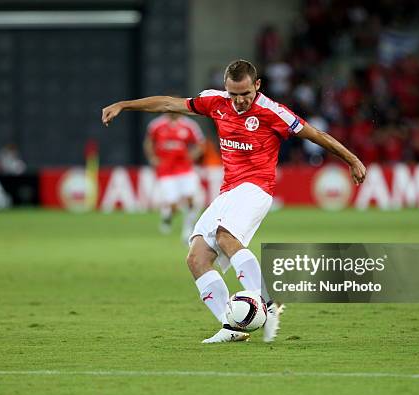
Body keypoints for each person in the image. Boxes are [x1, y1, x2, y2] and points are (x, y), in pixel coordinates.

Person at [102, 60, 366, 343]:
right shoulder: (214, 102)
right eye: (233, 94)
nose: (239, 101)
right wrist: (124, 105)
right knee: (196, 258)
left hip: (257, 188)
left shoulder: (273, 112)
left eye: (245, 94)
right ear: (225, 88)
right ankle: (233, 326)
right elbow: (168, 104)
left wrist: (352, 159)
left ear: (257, 86)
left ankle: (266, 303)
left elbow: (317, 135)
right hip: (228, 191)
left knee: (225, 235)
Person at [144, 112, 204, 240]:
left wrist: (192, 156)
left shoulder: (189, 125)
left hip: (185, 169)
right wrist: (152, 158)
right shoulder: (156, 125)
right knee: (173, 205)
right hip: (166, 171)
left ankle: (187, 230)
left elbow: (200, 143)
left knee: (190, 200)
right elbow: (148, 142)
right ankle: (167, 214)